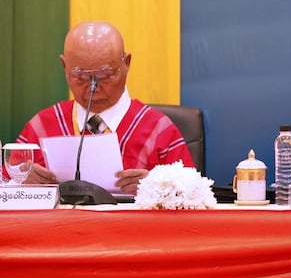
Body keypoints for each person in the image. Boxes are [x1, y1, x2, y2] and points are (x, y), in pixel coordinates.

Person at [16, 20, 195, 194]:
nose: (94, 86)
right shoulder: (42, 126)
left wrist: (158, 187)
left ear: (127, 63)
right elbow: (6, 187)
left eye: (106, 74)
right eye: (82, 76)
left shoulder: (158, 130)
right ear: (65, 67)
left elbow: (194, 195)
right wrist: (19, 181)